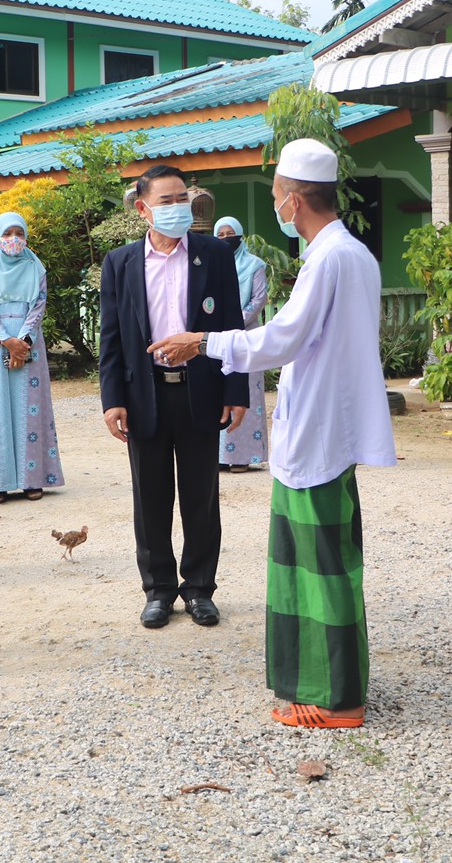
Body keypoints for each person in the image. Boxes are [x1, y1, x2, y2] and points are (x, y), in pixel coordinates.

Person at [149, 138, 395, 729]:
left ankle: (340, 700)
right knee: (314, 561)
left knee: (321, 565)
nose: (278, 207)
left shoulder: (330, 258)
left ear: (294, 200)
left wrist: (201, 341)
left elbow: (282, 338)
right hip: (324, 424)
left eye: (279, 196)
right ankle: (324, 682)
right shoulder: (350, 253)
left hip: (318, 431)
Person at [99, 164, 248, 630]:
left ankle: (200, 589)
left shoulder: (214, 254)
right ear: (143, 209)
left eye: (182, 198)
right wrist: (112, 399)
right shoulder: (120, 262)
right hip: (144, 394)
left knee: (202, 496)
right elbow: (111, 337)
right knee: (151, 497)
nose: (178, 208)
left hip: (200, 390)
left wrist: (235, 389)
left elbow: (232, 324)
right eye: (166, 201)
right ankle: (159, 590)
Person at [0, 212, 64, 504]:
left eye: (19, 233)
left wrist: (23, 341)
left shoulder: (36, 268)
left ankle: (32, 479)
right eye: (8, 233)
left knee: (29, 408)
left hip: (28, 341)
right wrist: (7, 340)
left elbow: (38, 307)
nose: (14, 239)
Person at [213, 217, 269, 472]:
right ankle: (218, 456)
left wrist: (233, 323)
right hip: (217, 338)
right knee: (217, 391)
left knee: (247, 393)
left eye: (230, 233)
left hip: (247, 337)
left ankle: (242, 457)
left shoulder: (254, 265)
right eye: (221, 234)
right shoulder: (211, 264)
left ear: (240, 235)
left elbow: (258, 299)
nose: (226, 238)